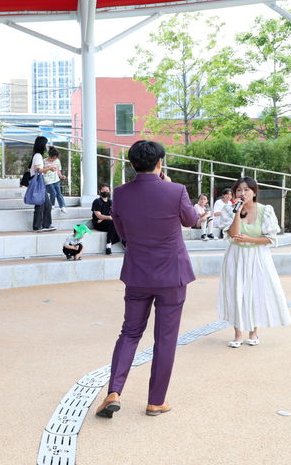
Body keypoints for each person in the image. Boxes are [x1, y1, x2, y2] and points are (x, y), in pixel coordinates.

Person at [95, 140, 198, 419]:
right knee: (165, 338)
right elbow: (191, 221)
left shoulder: (120, 193)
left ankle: (114, 391)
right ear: (160, 163)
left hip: (138, 272)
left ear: (131, 164)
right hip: (172, 274)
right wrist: (173, 188)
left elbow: (123, 231)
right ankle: (156, 401)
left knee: (129, 332)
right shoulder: (176, 191)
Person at [217, 177, 291, 348]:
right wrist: (237, 211)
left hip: (258, 256)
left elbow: (271, 239)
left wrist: (250, 239)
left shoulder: (265, 211)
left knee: (255, 292)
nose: (242, 193)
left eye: (246, 190)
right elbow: (233, 234)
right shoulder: (230, 210)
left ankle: (253, 332)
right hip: (236, 255)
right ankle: (237, 334)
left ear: (254, 192)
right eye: (239, 190)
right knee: (236, 291)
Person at [29, 136, 56, 232]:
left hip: (39, 180)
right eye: (46, 143)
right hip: (38, 181)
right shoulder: (38, 156)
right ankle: (38, 226)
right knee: (41, 203)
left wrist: (48, 167)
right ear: (42, 144)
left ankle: (45, 225)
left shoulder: (37, 156)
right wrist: (49, 168)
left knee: (46, 204)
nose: (46, 146)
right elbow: (38, 170)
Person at [92, 185, 121, 254]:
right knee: (113, 223)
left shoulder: (111, 202)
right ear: (99, 191)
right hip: (99, 224)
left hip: (107, 221)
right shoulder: (97, 201)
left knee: (119, 223)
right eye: (103, 191)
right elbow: (98, 216)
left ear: (110, 191)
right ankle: (108, 244)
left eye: (107, 191)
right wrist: (109, 217)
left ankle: (125, 243)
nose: (105, 192)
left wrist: (106, 217)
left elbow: (115, 213)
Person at [44, 147, 67, 213]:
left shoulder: (57, 161)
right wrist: (49, 168)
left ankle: (62, 206)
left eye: (55, 158)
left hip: (56, 180)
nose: (54, 159)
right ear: (50, 156)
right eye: (53, 158)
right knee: (53, 193)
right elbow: (43, 171)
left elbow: (58, 170)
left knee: (59, 194)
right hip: (48, 180)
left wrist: (61, 176)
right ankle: (52, 205)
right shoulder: (44, 161)